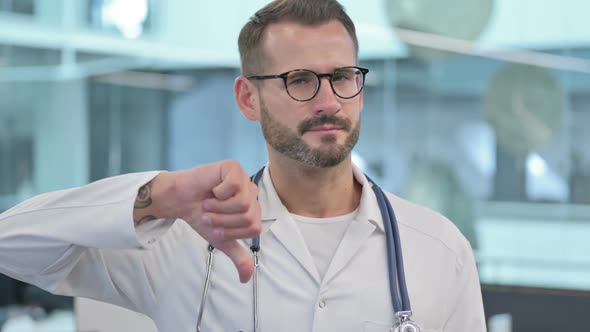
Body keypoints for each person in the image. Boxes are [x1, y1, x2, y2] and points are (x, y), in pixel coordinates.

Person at [0, 0, 486, 331]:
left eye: (342, 76)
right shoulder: (182, 242)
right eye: (299, 80)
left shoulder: (440, 250)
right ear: (247, 98)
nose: (328, 100)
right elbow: (12, 244)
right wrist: (160, 195)